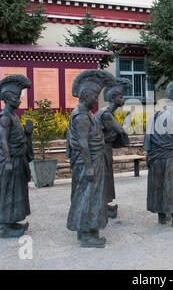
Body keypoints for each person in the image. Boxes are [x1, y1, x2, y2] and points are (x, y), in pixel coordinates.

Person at [66, 69, 115, 248]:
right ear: (85, 95)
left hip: (93, 161)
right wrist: (88, 166)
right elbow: (83, 143)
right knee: (89, 197)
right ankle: (88, 235)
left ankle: (85, 230)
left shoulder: (84, 114)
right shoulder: (81, 116)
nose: (96, 101)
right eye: (95, 97)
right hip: (89, 162)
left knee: (88, 196)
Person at [0, 75, 33, 238]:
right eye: (17, 97)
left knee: (16, 192)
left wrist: (28, 133)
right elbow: (4, 141)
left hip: (18, 160)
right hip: (10, 161)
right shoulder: (5, 117)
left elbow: (19, 138)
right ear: (7, 98)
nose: (20, 101)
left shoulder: (14, 116)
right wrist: (7, 161)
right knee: (7, 192)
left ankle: (12, 221)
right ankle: (5, 228)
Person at [144, 81, 173, 227]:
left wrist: (150, 156)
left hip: (155, 158)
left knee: (158, 185)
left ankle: (162, 217)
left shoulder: (153, 117)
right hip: (171, 157)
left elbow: (146, 144)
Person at [94, 77, 131, 219]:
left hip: (105, 149)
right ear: (114, 98)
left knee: (106, 176)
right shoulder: (106, 114)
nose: (123, 99)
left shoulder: (107, 113)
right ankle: (102, 207)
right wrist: (127, 123)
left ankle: (105, 204)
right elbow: (120, 131)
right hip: (102, 150)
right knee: (104, 176)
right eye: (121, 97)